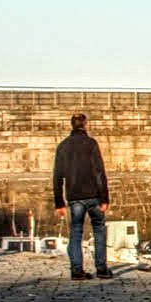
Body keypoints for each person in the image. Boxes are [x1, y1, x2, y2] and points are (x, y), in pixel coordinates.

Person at [52, 112, 112, 280]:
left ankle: (77, 270)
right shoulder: (91, 144)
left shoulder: (63, 146)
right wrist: (105, 198)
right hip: (93, 195)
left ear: (72, 125)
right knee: (99, 230)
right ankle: (101, 268)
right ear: (86, 125)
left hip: (74, 196)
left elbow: (57, 176)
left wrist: (59, 202)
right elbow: (100, 172)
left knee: (76, 232)